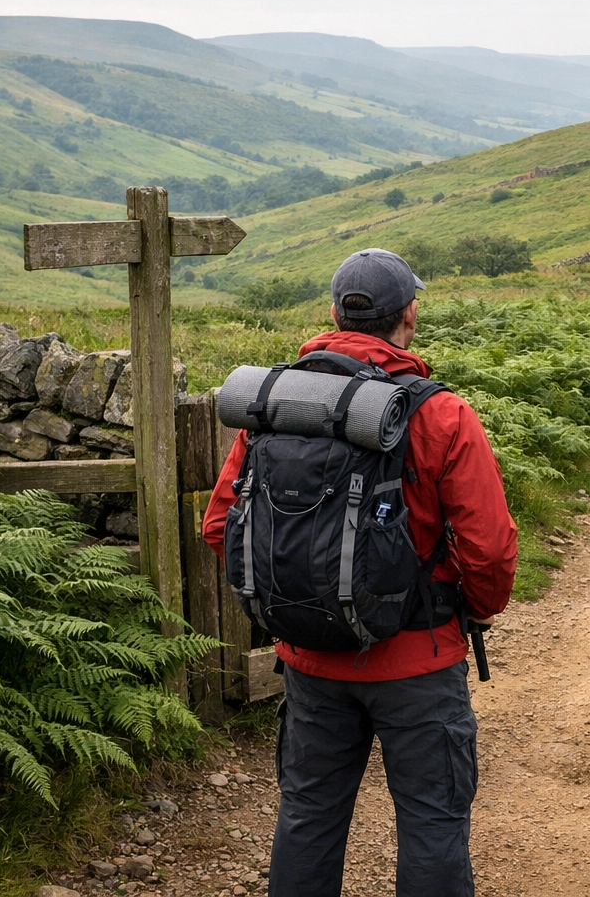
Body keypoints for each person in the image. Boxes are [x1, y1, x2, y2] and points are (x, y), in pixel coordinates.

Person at [203, 248, 518, 897]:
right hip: (420, 661)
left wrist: (298, 593)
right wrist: (477, 606)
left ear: (333, 315)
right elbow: (487, 548)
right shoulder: (440, 413)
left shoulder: (278, 403)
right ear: (409, 316)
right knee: (432, 824)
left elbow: (220, 526)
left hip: (310, 659)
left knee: (309, 817)